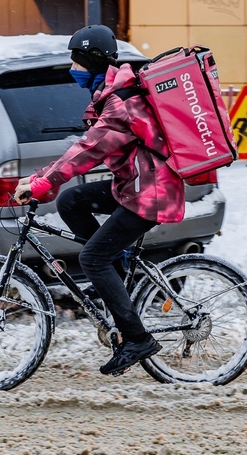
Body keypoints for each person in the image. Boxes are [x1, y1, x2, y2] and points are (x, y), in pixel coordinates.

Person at [14, 25, 185, 376]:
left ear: (91, 61)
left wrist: (43, 180)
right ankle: (118, 273)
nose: (72, 68)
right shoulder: (111, 92)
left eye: (76, 60)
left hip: (151, 193)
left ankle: (137, 339)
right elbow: (85, 147)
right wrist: (41, 178)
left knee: (92, 259)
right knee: (72, 201)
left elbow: (89, 150)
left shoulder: (120, 101)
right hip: (136, 184)